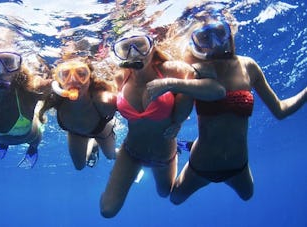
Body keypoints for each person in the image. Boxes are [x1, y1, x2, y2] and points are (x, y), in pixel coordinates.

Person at [145, 2, 307, 204]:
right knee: (174, 199)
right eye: (204, 37)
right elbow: (179, 113)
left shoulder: (248, 66)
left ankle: (188, 144)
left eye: (219, 32)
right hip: (201, 165)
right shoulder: (195, 70)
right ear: (195, 42)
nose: (214, 42)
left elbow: (280, 110)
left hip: (239, 166)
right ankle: (177, 151)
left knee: (248, 195)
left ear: (229, 30)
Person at [99, 29, 226, 218]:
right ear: (119, 54)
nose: (134, 53)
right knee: (107, 211)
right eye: (125, 48)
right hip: (130, 152)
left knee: (164, 192)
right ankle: (124, 173)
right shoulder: (120, 78)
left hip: (164, 155)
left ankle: (181, 150)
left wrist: (170, 84)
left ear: (152, 47)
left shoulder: (170, 69)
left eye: (140, 45)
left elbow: (218, 91)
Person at [38, 57, 117, 170]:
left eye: (81, 74)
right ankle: (93, 144)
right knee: (79, 167)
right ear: (58, 81)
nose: (73, 80)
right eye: (65, 75)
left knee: (111, 155)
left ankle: (97, 141)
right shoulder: (55, 99)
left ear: (90, 78)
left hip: (101, 130)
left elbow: (128, 103)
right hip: (76, 133)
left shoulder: (102, 99)